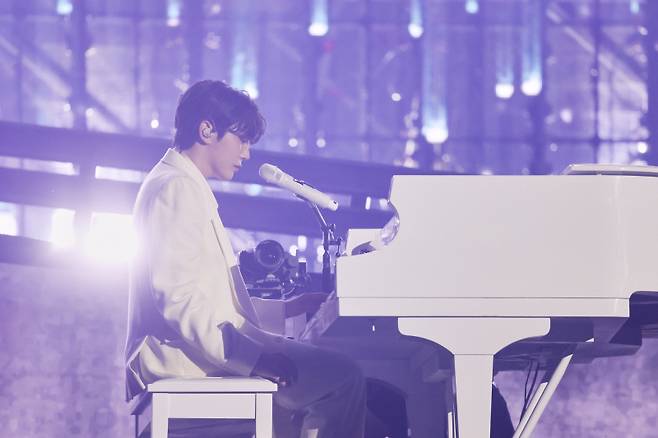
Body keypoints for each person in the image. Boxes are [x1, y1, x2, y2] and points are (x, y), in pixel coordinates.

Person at [124, 80, 366, 438]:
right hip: (183, 360)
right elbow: (177, 299)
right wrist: (253, 359)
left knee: (313, 383)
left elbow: (206, 298)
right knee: (343, 378)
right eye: (242, 139)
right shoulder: (176, 187)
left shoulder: (179, 182)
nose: (247, 153)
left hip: (196, 350)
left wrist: (288, 308)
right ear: (207, 130)